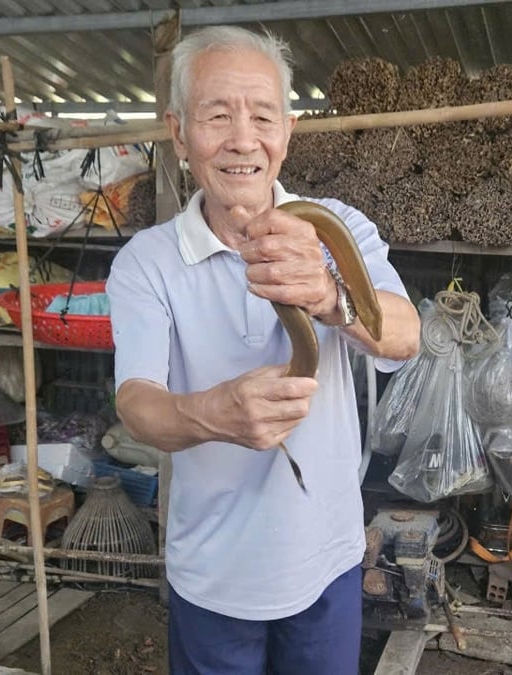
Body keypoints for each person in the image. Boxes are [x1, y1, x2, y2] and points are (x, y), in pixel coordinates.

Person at [106, 25, 421, 675]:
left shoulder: (338, 226)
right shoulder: (148, 262)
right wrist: (211, 412)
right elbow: (137, 403)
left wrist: (331, 295)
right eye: (217, 116)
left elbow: (407, 335)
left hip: (326, 563)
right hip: (211, 576)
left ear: (288, 129)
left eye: (262, 115)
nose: (242, 139)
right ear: (179, 131)